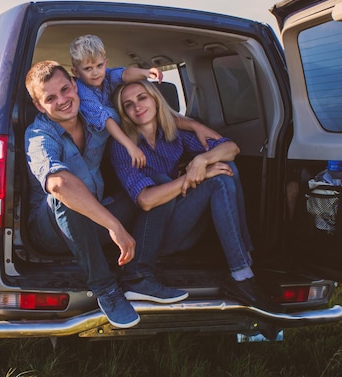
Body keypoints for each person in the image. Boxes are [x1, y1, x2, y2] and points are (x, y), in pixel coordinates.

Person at [24, 61, 217, 329]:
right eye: (50, 98)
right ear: (38, 105)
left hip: (95, 218)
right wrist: (115, 226)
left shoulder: (96, 117)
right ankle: (106, 289)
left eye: (66, 89)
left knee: (156, 183)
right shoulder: (38, 135)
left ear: (75, 86)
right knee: (64, 195)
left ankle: (139, 276)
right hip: (52, 231)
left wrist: (192, 125)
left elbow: (142, 112)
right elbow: (58, 184)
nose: (63, 100)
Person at [109, 80, 275, 311]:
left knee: (225, 171)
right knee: (202, 178)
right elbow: (146, 201)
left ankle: (242, 271)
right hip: (155, 236)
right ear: (124, 113)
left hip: (181, 221)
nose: (137, 107)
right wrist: (192, 177)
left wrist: (201, 161)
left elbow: (231, 148)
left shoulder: (174, 134)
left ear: (155, 99)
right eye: (128, 104)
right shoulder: (123, 147)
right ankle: (243, 269)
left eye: (142, 98)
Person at [69, 34, 162, 169]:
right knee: (90, 176)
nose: (95, 73)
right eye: (88, 68)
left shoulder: (107, 76)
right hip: (89, 149)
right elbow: (106, 120)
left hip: (109, 142)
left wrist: (146, 73)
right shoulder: (82, 92)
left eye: (99, 65)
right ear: (76, 72)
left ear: (105, 64)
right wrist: (131, 146)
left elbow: (125, 74)